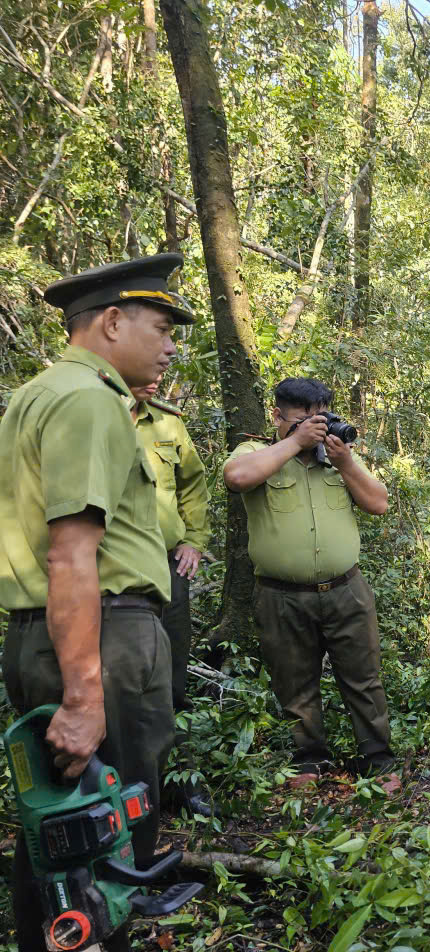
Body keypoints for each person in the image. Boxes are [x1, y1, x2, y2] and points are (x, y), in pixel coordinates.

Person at [0, 254, 195, 952]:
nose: (172, 345)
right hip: (100, 641)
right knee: (100, 832)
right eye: (162, 326)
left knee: (57, 828)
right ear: (112, 322)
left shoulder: (36, 394)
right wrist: (85, 697)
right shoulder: (87, 401)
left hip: (52, 634)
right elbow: (72, 553)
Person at [223, 378, 396, 787]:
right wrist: (294, 443)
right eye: (303, 421)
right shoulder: (257, 452)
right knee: (294, 681)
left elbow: (379, 504)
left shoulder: (338, 458)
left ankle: (378, 760)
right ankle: (309, 761)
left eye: (319, 420)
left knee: (363, 678)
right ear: (277, 416)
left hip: (345, 589)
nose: (315, 430)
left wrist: (346, 463)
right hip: (281, 596)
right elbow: (237, 478)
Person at [131, 378, 216, 817]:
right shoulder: (89, 412)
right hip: (109, 572)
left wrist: (195, 540)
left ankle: (178, 784)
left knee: (173, 680)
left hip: (168, 568)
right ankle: (127, 791)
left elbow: (193, 485)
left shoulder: (168, 422)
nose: (160, 365)